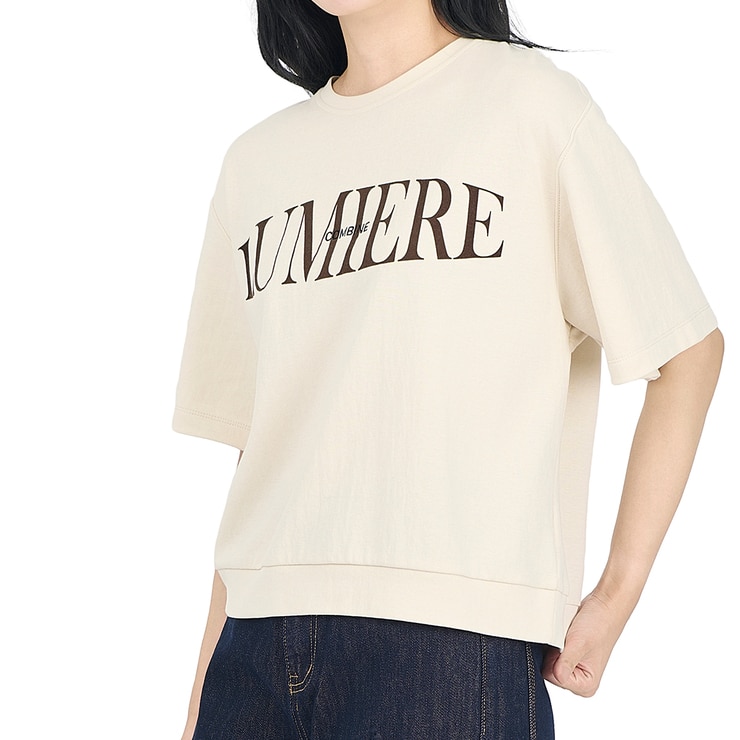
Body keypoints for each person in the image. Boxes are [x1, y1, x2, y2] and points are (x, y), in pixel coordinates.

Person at [172, 1, 724, 737]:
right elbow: (262, 450)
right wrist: (201, 695)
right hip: (254, 652)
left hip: (448, 642)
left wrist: (614, 596)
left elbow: (686, 348)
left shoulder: (529, 106)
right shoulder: (256, 163)